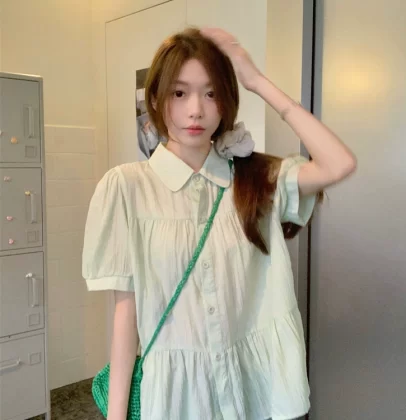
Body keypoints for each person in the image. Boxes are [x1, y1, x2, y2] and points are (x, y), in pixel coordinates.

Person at [82, 27, 356, 420]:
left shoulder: (255, 179)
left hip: (251, 391)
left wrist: (257, 81)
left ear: (226, 101)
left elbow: (338, 164)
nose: (196, 110)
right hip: (178, 400)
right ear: (155, 98)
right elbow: (127, 314)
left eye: (211, 94)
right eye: (179, 93)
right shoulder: (126, 187)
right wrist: (117, 416)